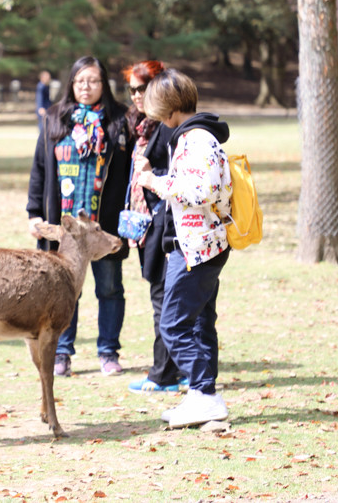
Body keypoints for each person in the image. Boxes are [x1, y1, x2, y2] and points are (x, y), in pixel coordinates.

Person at [132, 68, 232, 427]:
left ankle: (205, 395)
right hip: (202, 243)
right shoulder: (194, 136)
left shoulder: (197, 140)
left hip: (196, 246)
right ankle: (201, 396)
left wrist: (155, 182)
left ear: (169, 108)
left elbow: (200, 192)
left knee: (173, 324)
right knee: (201, 322)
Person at [26, 56, 132, 377]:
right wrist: (34, 212)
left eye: (94, 81)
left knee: (110, 288)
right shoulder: (55, 118)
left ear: (105, 85)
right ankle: (61, 352)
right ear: (71, 83)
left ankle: (108, 352)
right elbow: (40, 169)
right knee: (62, 292)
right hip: (65, 228)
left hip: (104, 225)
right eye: (80, 81)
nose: (86, 87)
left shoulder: (119, 122)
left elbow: (127, 174)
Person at [121, 60, 185, 394]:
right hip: (144, 222)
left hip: (166, 223)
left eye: (142, 88)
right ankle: (179, 368)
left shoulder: (168, 126)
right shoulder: (141, 125)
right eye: (131, 89)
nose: (136, 95)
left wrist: (149, 170)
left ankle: (164, 373)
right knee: (163, 295)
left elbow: (175, 178)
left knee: (164, 297)